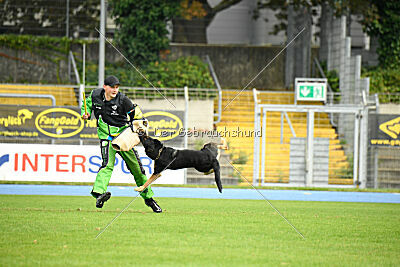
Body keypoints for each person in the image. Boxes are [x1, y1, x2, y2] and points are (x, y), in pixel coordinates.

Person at [81, 75, 162, 213]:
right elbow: (86, 105)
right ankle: (99, 194)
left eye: (117, 87)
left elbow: (137, 115)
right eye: (112, 87)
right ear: (105, 87)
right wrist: (85, 113)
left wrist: (139, 130)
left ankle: (149, 199)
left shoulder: (124, 100)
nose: (115, 90)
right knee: (107, 165)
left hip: (123, 138)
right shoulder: (95, 95)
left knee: (137, 170)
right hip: (106, 136)